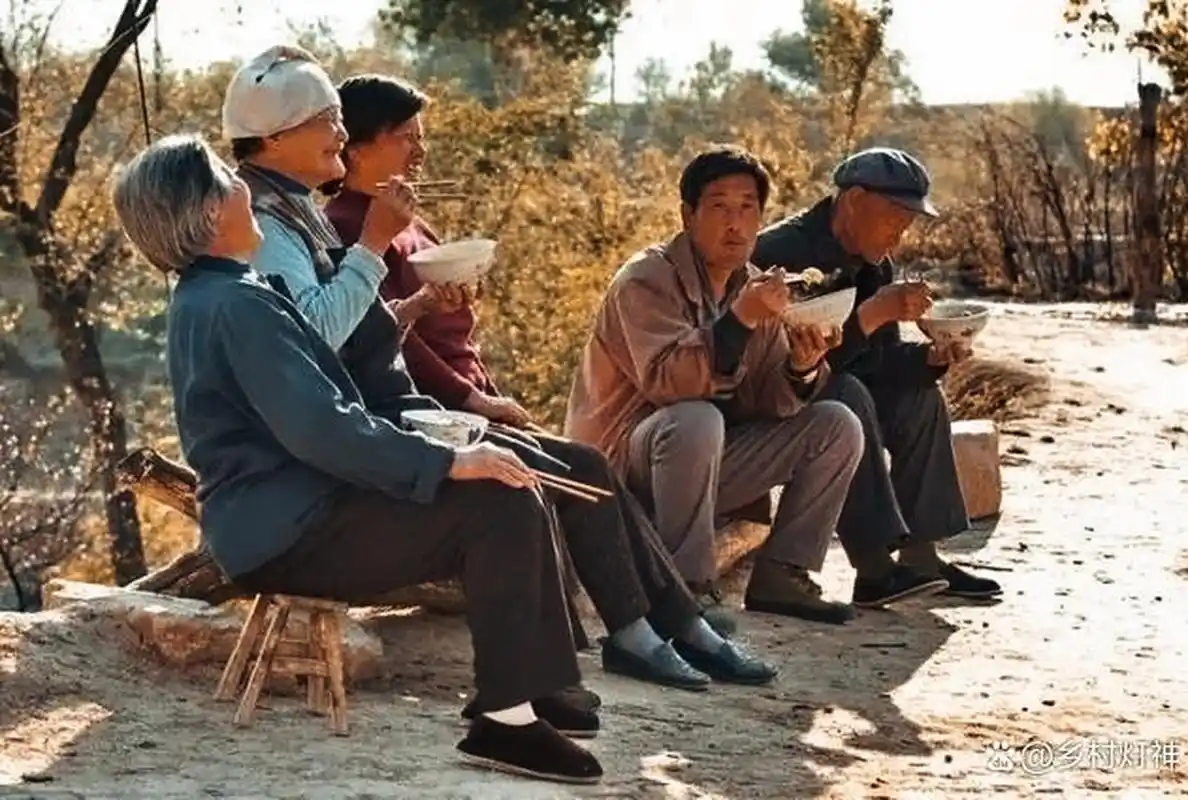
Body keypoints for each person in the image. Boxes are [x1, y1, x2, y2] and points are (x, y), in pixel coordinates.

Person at [223, 61, 775, 692]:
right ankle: (594, 659)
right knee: (533, 482)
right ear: (273, 138)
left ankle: (663, 625)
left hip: (389, 413)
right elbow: (313, 342)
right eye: (326, 122)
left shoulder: (298, 211)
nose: (338, 135)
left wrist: (418, 307)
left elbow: (352, 329)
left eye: (340, 121)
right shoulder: (278, 222)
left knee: (583, 467)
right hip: (370, 437)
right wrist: (381, 257)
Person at [112, 133, 602, 785]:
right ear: (205, 214)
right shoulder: (234, 303)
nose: (242, 186)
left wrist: (397, 301)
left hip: (292, 516)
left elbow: (327, 381)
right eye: (228, 179)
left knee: (511, 483)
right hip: (289, 532)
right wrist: (446, 464)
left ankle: (530, 692)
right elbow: (318, 427)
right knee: (498, 501)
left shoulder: (222, 293)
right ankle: (505, 722)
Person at [565, 144, 938, 625]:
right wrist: (739, 321)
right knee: (694, 419)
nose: (734, 224)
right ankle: (686, 588)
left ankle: (783, 572)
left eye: (748, 209)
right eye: (719, 207)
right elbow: (668, 386)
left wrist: (801, 368)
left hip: (703, 466)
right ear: (688, 215)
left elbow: (765, 400)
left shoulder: (755, 285)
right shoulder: (647, 279)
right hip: (622, 468)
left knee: (835, 421)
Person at [750, 146, 1002, 600]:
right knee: (846, 393)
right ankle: (873, 564)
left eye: (907, 225)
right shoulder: (778, 252)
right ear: (853, 200)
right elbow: (789, 365)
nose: (898, 237)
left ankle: (920, 556)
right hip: (771, 405)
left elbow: (878, 363)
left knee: (919, 397)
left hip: (835, 393)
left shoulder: (875, 264)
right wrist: (871, 314)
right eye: (894, 220)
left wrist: (930, 361)